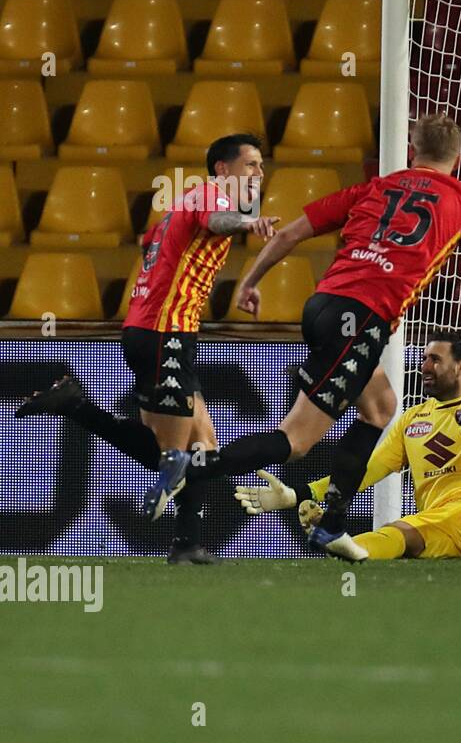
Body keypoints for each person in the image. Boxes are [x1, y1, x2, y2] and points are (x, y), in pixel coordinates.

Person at [166, 113, 461, 561]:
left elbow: (290, 233)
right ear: (458, 158)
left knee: (381, 409)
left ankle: (331, 524)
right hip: (361, 319)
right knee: (296, 440)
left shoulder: (376, 187)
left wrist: (250, 281)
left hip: (324, 305)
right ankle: (195, 467)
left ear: (411, 153)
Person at [16, 134, 275, 564]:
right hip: (165, 334)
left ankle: (186, 543)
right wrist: (248, 223)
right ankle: (83, 413)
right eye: (251, 165)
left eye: (261, 166)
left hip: (151, 332)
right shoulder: (207, 197)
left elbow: (163, 247)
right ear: (222, 170)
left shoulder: (182, 207)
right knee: (175, 455)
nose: (259, 174)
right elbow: (218, 221)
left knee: (202, 445)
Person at [233, 331, 461, 562]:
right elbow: (369, 470)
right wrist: (299, 495)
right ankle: (340, 544)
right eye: (424, 358)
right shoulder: (411, 420)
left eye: (435, 359)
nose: (425, 366)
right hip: (438, 522)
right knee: (394, 535)